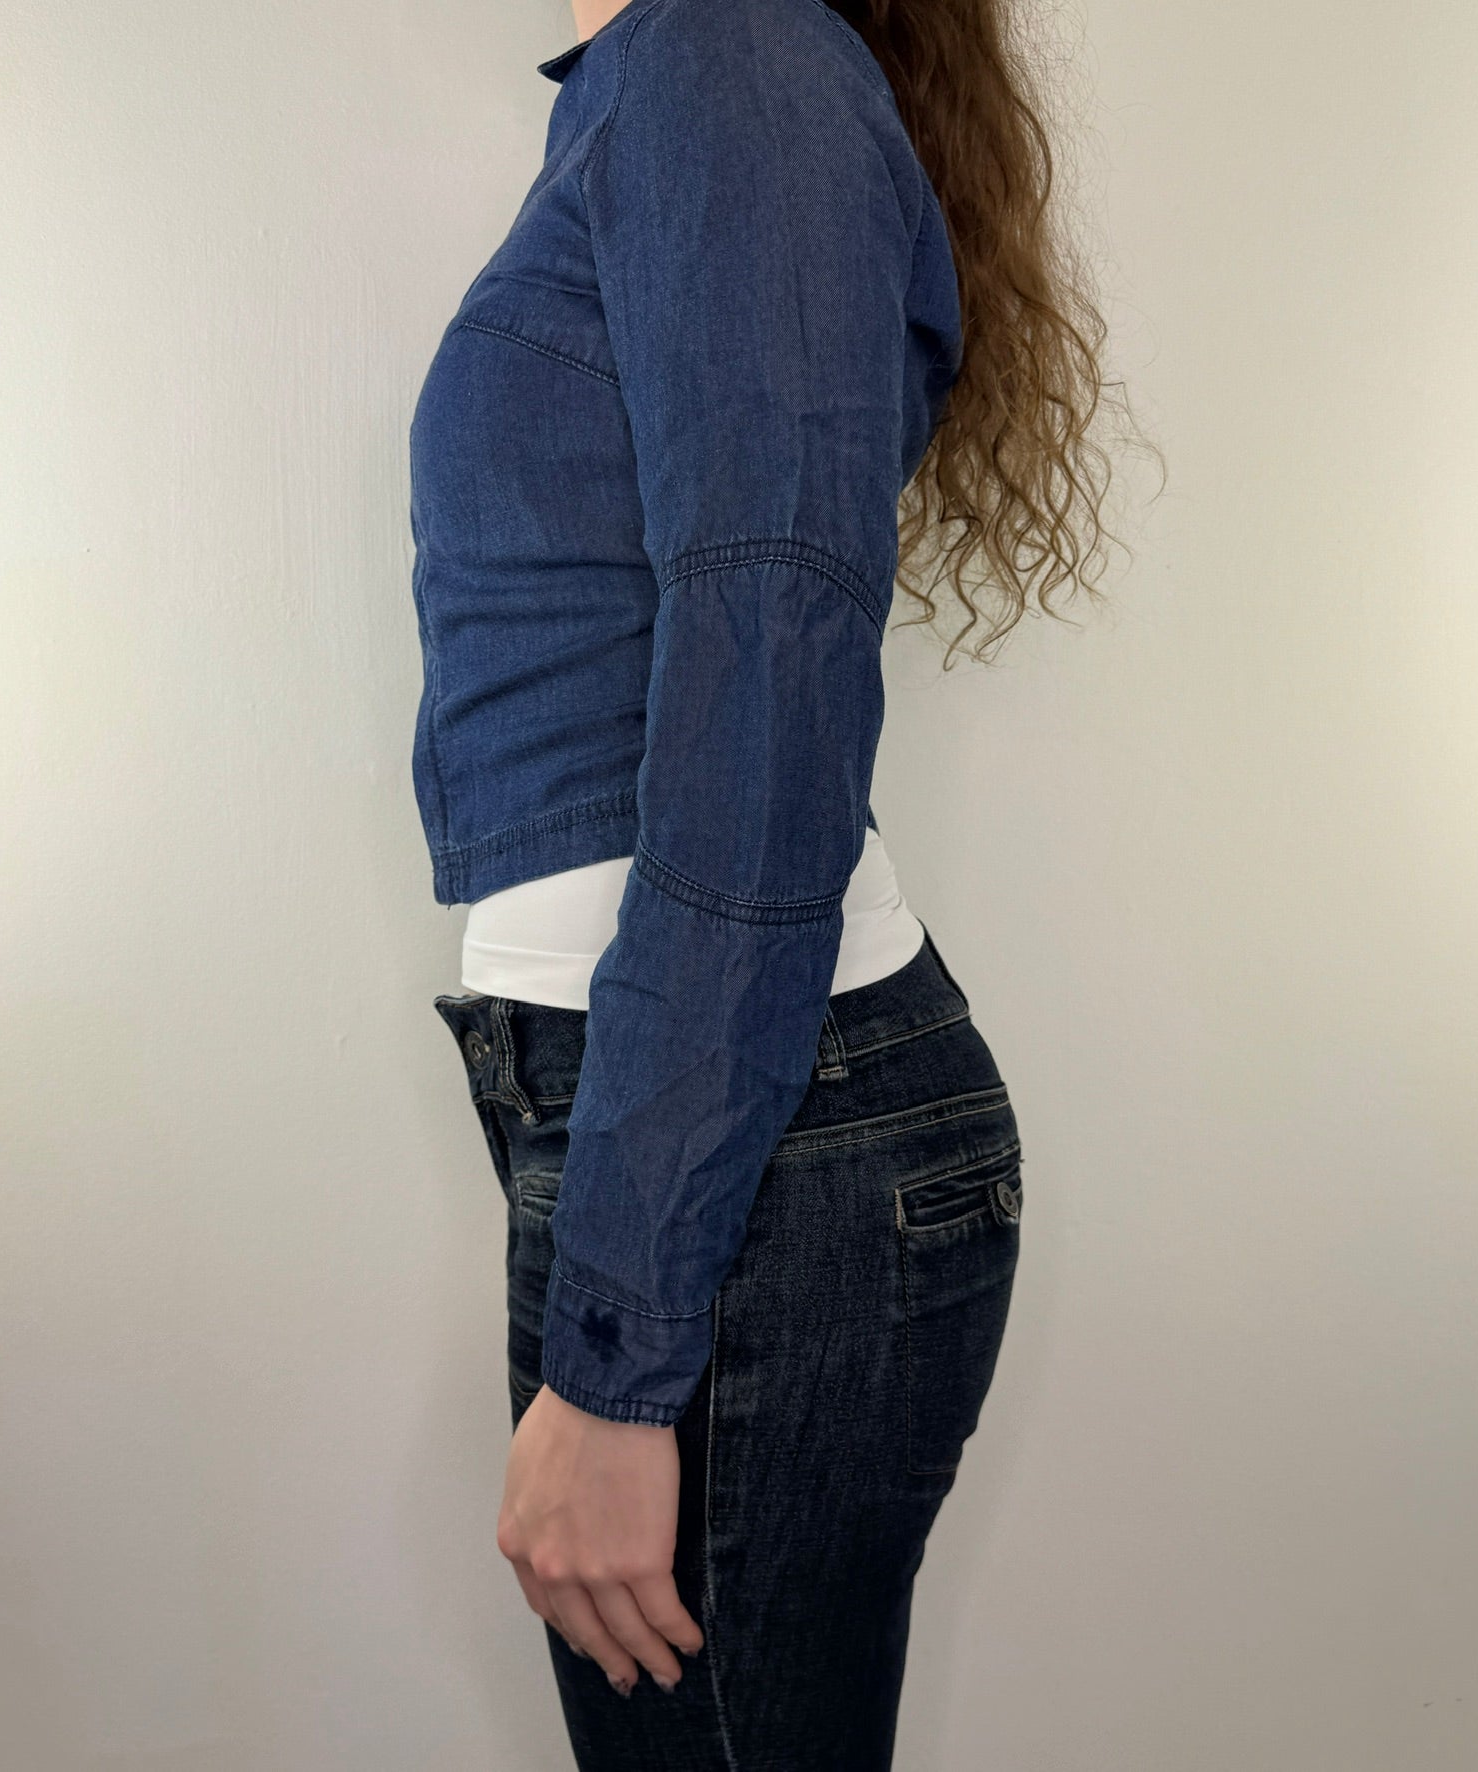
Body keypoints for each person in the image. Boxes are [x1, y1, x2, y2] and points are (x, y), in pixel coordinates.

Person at [408, 0, 1141, 1762]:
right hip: (703, 1123)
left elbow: (766, 696)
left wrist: (620, 1356)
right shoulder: (672, 77)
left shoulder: (725, 52)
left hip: (750, 1152)